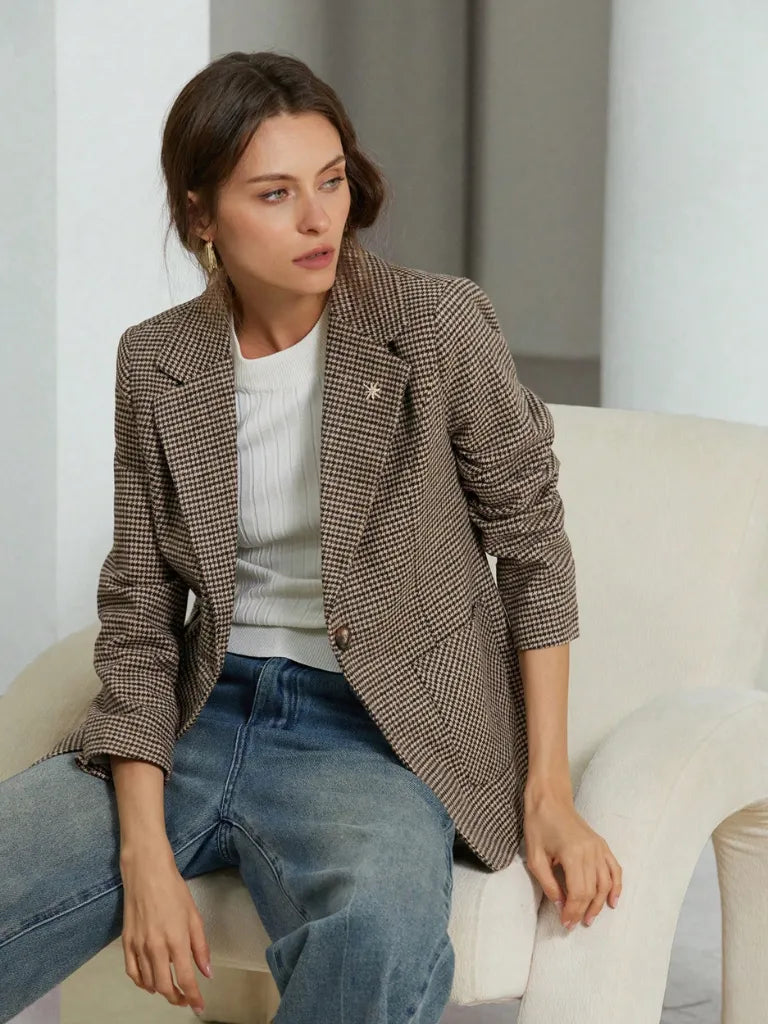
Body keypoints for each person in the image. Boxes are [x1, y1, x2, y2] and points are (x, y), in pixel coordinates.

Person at [0, 50, 621, 1024]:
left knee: (375, 935)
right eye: (275, 192)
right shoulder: (157, 361)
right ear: (201, 215)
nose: (317, 218)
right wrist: (143, 850)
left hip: (373, 734)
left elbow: (535, 546)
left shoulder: (436, 326)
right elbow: (140, 613)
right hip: (201, 713)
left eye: (329, 182)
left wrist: (548, 788)